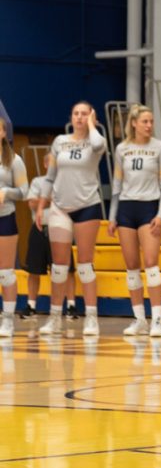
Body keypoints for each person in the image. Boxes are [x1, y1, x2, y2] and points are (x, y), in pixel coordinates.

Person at [36, 101, 106, 337]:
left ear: (91, 117)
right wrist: (41, 206)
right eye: (76, 113)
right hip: (59, 207)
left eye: (84, 114)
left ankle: (91, 318)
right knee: (58, 266)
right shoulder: (60, 142)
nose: (79, 117)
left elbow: (98, 143)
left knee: (85, 265)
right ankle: (55, 317)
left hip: (87, 205)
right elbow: (50, 175)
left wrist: (92, 125)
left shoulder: (96, 142)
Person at [108, 104, 161, 338]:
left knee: (151, 262)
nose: (149, 125)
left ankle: (157, 320)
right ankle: (139, 320)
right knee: (132, 266)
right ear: (134, 123)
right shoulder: (122, 149)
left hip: (149, 208)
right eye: (145, 121)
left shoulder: (160, 148)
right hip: (126, 208)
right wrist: (113, 216)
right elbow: (117, 184)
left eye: (151, 121)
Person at [23, 154, 77, 319]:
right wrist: (52, 199)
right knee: (33, 269)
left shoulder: (68, 182)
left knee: (67, 270)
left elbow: (71, 203)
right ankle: (31, 305)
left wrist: (44, 200)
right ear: (46, 164)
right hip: (40, 229)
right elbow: (31, 203)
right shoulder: (38, 182)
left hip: (61, 228)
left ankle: (71, 305)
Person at [0, 117, 27, 338]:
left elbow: (24, 192)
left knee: (5, 273)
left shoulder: (14, 161)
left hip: (5, 218)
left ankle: (7, 319)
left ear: (3, 133)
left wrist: (6, 193)